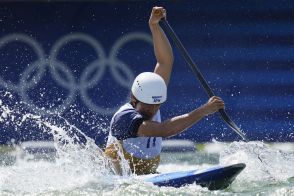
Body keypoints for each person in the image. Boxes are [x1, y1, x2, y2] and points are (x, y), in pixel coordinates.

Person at [104, 6, 225, 175]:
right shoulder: (124, 117)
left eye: (157, 105)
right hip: (117, 178)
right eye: (147, 106)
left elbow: (165, 61)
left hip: (146, 175)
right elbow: (164, 130)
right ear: (134, 98)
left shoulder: (152, 98)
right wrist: (203, 111)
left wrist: (154, 26)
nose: (152, 110)